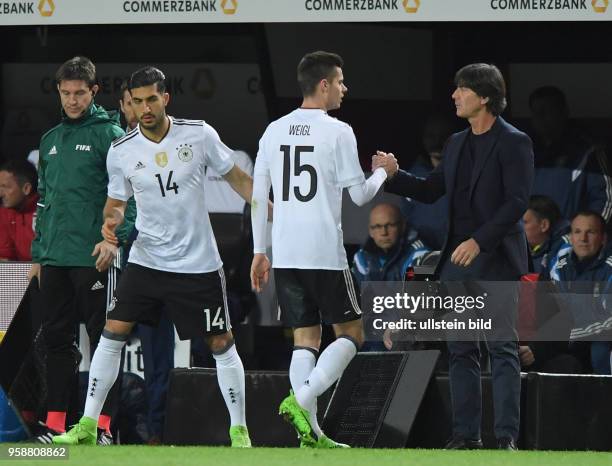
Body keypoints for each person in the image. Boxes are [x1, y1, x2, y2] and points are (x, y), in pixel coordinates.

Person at [52, 66, 254, 447]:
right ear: (129, 102)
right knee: (112, 333)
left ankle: (239, 430)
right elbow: (115, 203)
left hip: (198, 263)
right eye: (137, 101)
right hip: (147, 260)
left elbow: (239, 180)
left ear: (165, 98)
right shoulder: (122, 151)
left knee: (221, 343)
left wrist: (273, 210)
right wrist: (110, 225)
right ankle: (87, 424)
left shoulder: (198, 134)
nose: (144, 107)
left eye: (151, 99)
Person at [374, 63, 534, 450]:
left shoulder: (515, 142)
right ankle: (466, 437)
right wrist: (395, 175)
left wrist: (479, 241)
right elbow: (431, 189)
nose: (454, 96)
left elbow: (516, 202)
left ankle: (506, 438)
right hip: (456, 260)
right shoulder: (457, 142)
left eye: (462, 89)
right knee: (461, 347)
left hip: (494, 257)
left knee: (501, 347)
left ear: (484, 97)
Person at [250, 51, 388, 448]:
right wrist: (384, 171)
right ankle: (302, 399)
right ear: (324, 84)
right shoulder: (338, 131)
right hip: (325, 251)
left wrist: (260, 250)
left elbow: (259, 196)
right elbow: (361, 196)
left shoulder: (273, 130)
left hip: (286, 251)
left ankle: (311, 433)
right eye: (341, 81)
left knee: (305, 338)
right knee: (352, 332)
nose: (345, 89)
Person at [30, 56, 134, 444]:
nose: (72, 100)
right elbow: (44, 201)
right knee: (56, 343)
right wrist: (40, 254)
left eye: (79, 93)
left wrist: (113, 238)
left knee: (105, 342)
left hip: (95, 258)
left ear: (94, 92)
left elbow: (131, 194)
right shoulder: (49, 140)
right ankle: (55, 425)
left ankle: (104, 428)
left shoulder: (111, 135)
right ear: (58, 92)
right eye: (66, 93)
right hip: (55, 259)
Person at [528, 86, 611, 224]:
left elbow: (604, 199)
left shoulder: (587, 152)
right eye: (536, 112)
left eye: (546, 111)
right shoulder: (523, 152)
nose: (540, 117)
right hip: (532, 239)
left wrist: (578, 235)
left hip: (571, 241)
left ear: (563, 112)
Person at [541, 211, 612, 374]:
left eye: (591, 232)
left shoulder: (609, 267)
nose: (583, 239)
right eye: (577, 232)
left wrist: (576, 333)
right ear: (571, 237)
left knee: (600, 349)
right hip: (570, 336)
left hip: (597, 339)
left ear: (603, 238)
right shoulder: (560, 263)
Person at [400, 113, 455, 250]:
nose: (437, 141)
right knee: (413, 272)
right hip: (422, 255)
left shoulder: (469, 173)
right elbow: (406, 220)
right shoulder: (412, 175)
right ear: (423, 139)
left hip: (460, 256)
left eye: (444, 135)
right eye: (431, 136)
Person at [352, 203, 430, 286]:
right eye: (377, 226)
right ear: (371, 231)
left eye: (390, 225)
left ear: (402, 226)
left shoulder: (421, 256)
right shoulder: (362, 258)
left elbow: (419, 297)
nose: (384, 232)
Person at [0, 159, 39, 261]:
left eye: (5, 187)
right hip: (20, 273)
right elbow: (5, 256)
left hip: (50, 272)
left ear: (26, 188)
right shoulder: (5, 212)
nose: (1, 194)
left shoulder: (48, 211)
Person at [523, 195, 571, 275]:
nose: (519, 228)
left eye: (524, 222)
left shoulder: (565, 252)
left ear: (544, 225)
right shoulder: (527, 248)